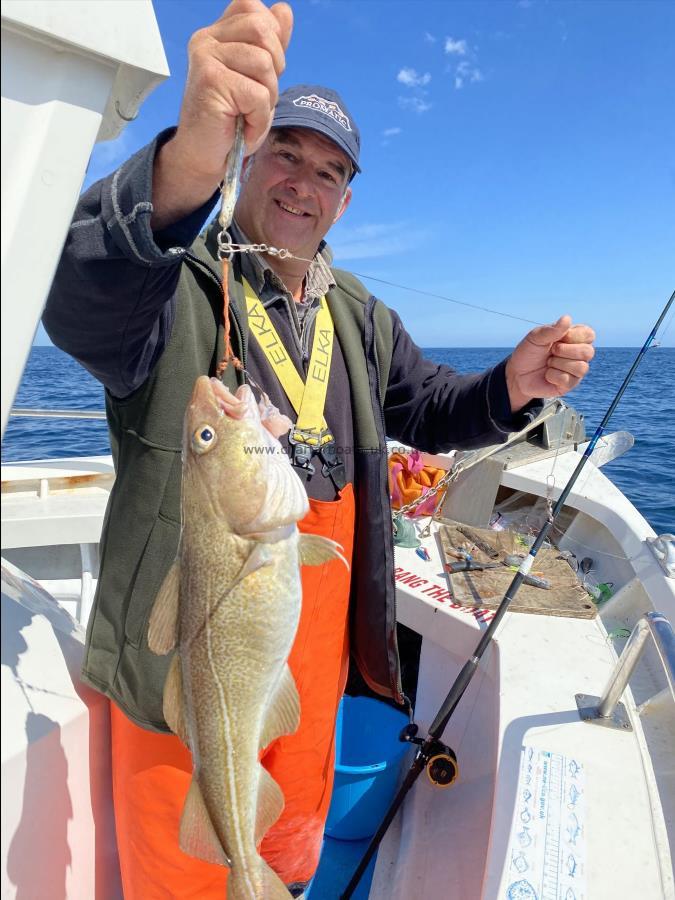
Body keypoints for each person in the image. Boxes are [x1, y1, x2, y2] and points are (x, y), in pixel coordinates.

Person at [43, 1, 596, 896]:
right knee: (182, 874)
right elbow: (79, 297)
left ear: (348, 199)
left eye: (330, 171)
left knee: (287, 865)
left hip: (310, 664)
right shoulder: (177, 285)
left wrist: (515, 386)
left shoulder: (359, 315)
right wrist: (188, 155)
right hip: (179, 676)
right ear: (246, 157)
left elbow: (432, 405)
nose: (306, 183)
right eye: (286, 156)